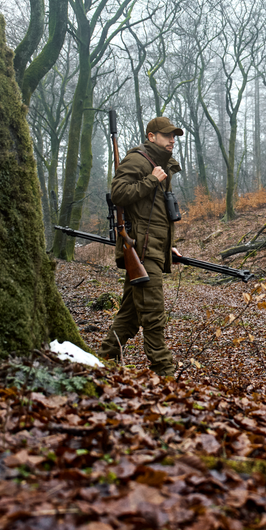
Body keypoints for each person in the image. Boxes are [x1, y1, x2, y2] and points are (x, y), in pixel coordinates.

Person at [100, 116, 183, 376]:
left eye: (174, 136)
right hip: (141, 250)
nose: (172, 140)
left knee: (131, 316)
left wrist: (168, 246)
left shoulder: (161, 165)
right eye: (167, 135)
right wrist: (152, 180)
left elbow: (154, 215)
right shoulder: (138, 160)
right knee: (153, 315)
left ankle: (103, 362)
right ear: (151, 137)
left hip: (152, 248)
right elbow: (118, 194)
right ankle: (166, 376)